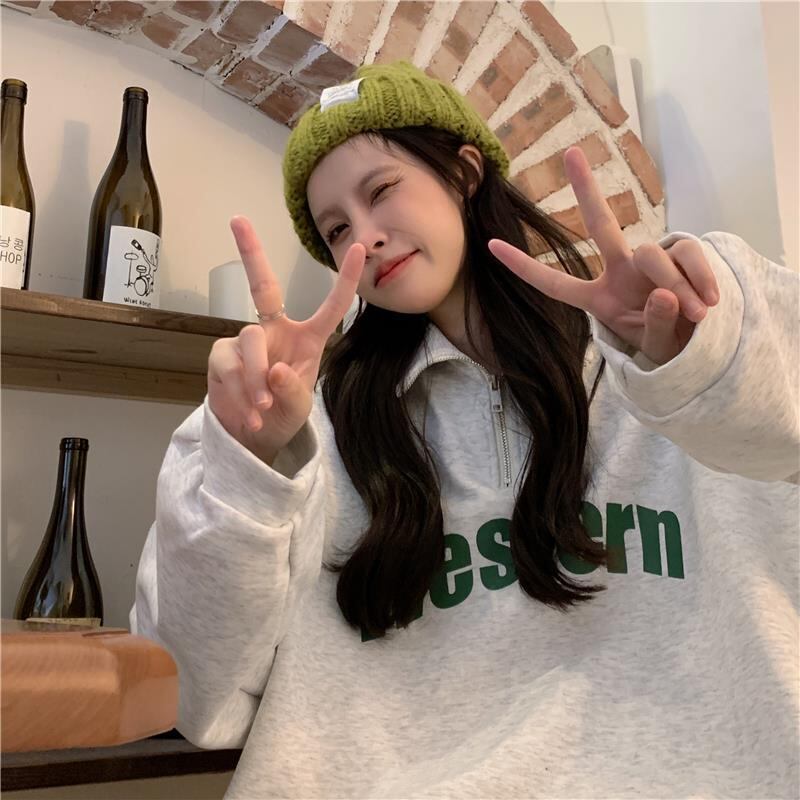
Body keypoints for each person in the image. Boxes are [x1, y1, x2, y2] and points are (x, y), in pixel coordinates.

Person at [130, 61, 799, 799]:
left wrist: (709, 352)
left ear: (465, 172)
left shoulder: (663, 357)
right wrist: (243, 465)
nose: (365, 238)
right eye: (337, 229)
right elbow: (196, 700)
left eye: (381, 190)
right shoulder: (305, 427)